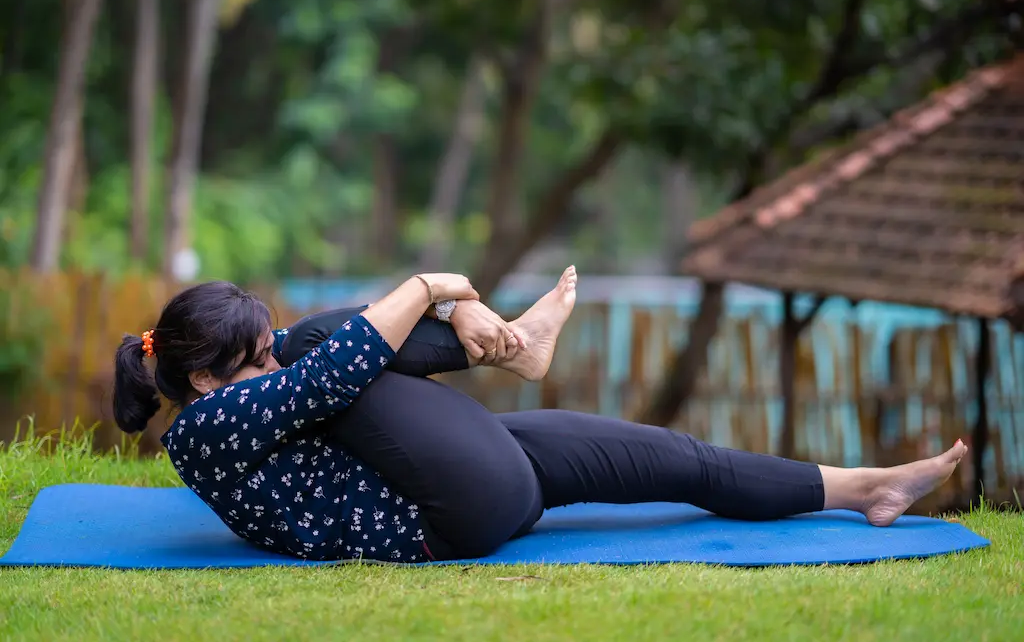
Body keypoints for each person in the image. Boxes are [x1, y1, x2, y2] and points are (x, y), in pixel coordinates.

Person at [112, 267, 968, 563]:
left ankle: (867, 488)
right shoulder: (201, 434)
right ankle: (522, 345)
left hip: (467, 477)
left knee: (677, 458)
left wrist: (449, 314)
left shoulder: (238, 400)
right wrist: (437, 289)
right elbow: (336, 367)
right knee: (325, 343)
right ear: (204, 380)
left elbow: (338, 362)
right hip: (444, 513)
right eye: (253, 359)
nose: (272, 360)